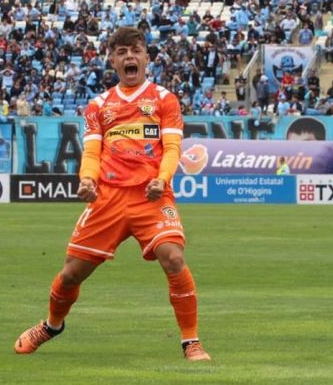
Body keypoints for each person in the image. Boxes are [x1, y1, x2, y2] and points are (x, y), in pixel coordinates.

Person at [14, 27, 211, 361]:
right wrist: (87, 180)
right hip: (108, 199)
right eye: (121, 52)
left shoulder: (164, 99)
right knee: (71, 274)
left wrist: (162, 180)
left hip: (151, 197)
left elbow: (173, 148)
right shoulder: (99, 105)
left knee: (174, 257)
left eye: (135, 50)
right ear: (112, 59)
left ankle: (191, 342)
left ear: (147, 57)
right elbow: (91, 153)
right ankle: (52, 325)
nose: (129, 57)